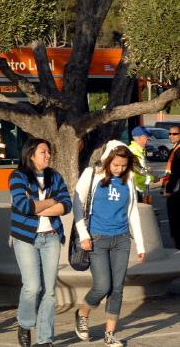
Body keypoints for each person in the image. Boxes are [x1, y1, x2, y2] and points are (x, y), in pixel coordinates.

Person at [73, 140, 145, 347]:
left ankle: (109, 335)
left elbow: (132, 212)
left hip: (122, 239)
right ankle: (83, 313)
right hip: (97, 238)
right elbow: (78, 203)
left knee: (118, 288)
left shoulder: (128, 179)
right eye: (116, 165)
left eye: (124, 166)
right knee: (103, 285)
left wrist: (140, 245)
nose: (120, 169)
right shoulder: (92, 174)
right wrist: (84, 234)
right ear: (107, 160)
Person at [9, 138, 72, 347]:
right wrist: (50, 202)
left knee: (49, 290)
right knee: (32, 287)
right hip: (26, 238)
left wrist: (38, 205)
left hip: (51, 236)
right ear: (31, 154)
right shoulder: (17, 176)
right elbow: (23, 205)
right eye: (44, 152)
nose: (48, 155)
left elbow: (66, 205)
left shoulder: (55, 177)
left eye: (49, 152)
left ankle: (45, 339)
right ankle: (25, 324)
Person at [128, 126, 159, 202]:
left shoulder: (136, 150)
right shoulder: (134, 152)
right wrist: (152, 179)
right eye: (146, 136)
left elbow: (140, 172)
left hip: (136, 190)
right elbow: (138, 177)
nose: (148, 139)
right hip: (135, 191)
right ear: (140, 138)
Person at [164, 125, 180, 249]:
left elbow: (176, 172)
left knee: (175, 223)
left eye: (175, 134)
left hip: (176, 192)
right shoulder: (174, 149)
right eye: (170, 134)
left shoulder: (179, 151)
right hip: (174, 190)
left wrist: (169, 190)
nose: (171, 136)